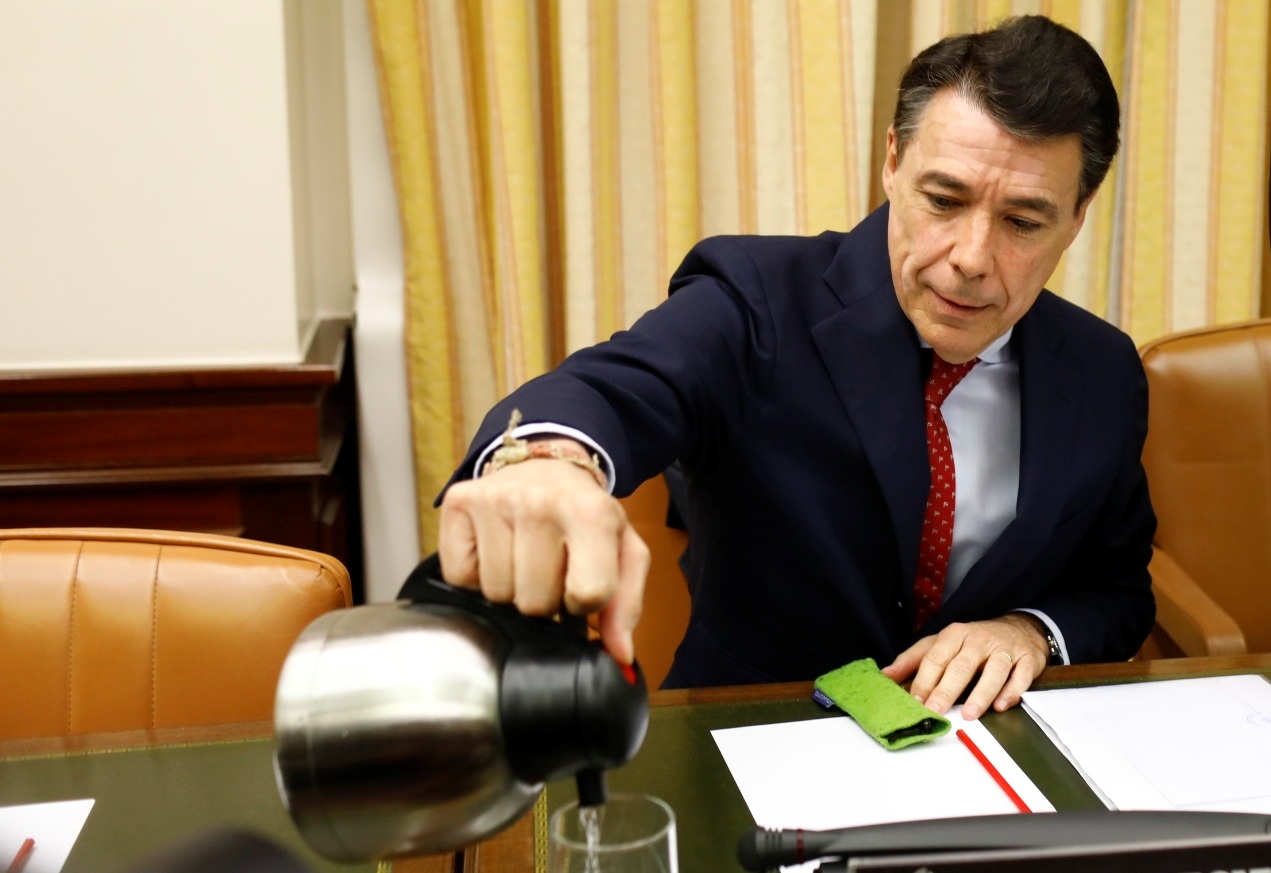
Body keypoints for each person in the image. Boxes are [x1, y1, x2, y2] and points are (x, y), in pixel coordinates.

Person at [426, 15, 1156, 720]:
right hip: (754, 736)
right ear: (892, 163)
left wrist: (1028, 630)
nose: (970, 257)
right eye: (944, 199)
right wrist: (548, 460)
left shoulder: (1101, 370)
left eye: (1022, 222)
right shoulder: (756, 298)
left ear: (1077, 215)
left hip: (990, 758)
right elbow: (615, 387)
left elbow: (1117, 590)